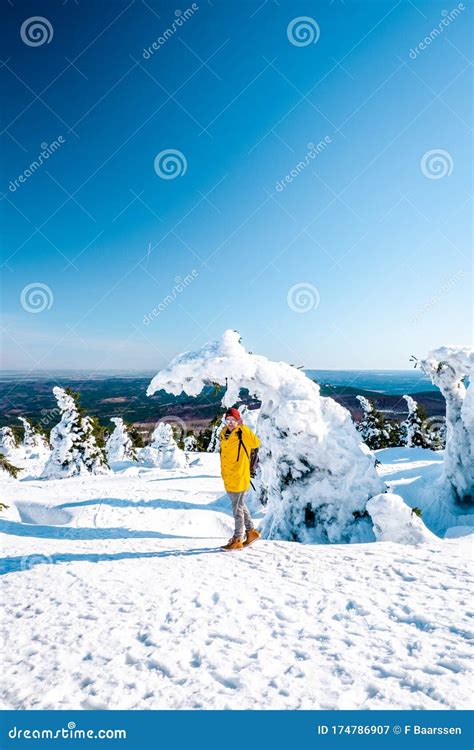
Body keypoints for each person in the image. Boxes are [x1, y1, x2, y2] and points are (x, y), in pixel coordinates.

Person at [219, 407, 261, 551]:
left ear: (238, 421)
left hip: (239, 476)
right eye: (228, 420)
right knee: (240, 506)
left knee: (237, 509)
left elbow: (255, 443)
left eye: (233, 420)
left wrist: (244, 427)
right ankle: (251, 532)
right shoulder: (223, 433)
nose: (230, 423)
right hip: (229, 476)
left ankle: (237, 539)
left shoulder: (242, 433)